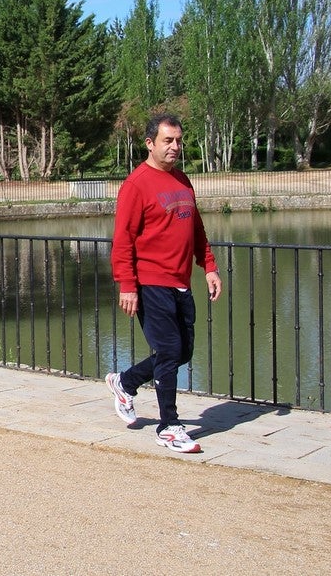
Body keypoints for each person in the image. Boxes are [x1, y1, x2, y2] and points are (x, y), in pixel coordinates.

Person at [106, 113, 222, 454]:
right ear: (150, 143)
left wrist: (210, 266)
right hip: (150, 281)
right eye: (167, 141)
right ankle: (169, 426)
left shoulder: (183, 181)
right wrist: (127, 284)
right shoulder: (136, 185)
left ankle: (125, 383)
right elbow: (123, 240)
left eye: (178, 141)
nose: (175, 147)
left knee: (182, 351)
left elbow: (195, 230)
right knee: (170, 351)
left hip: (181, 281)